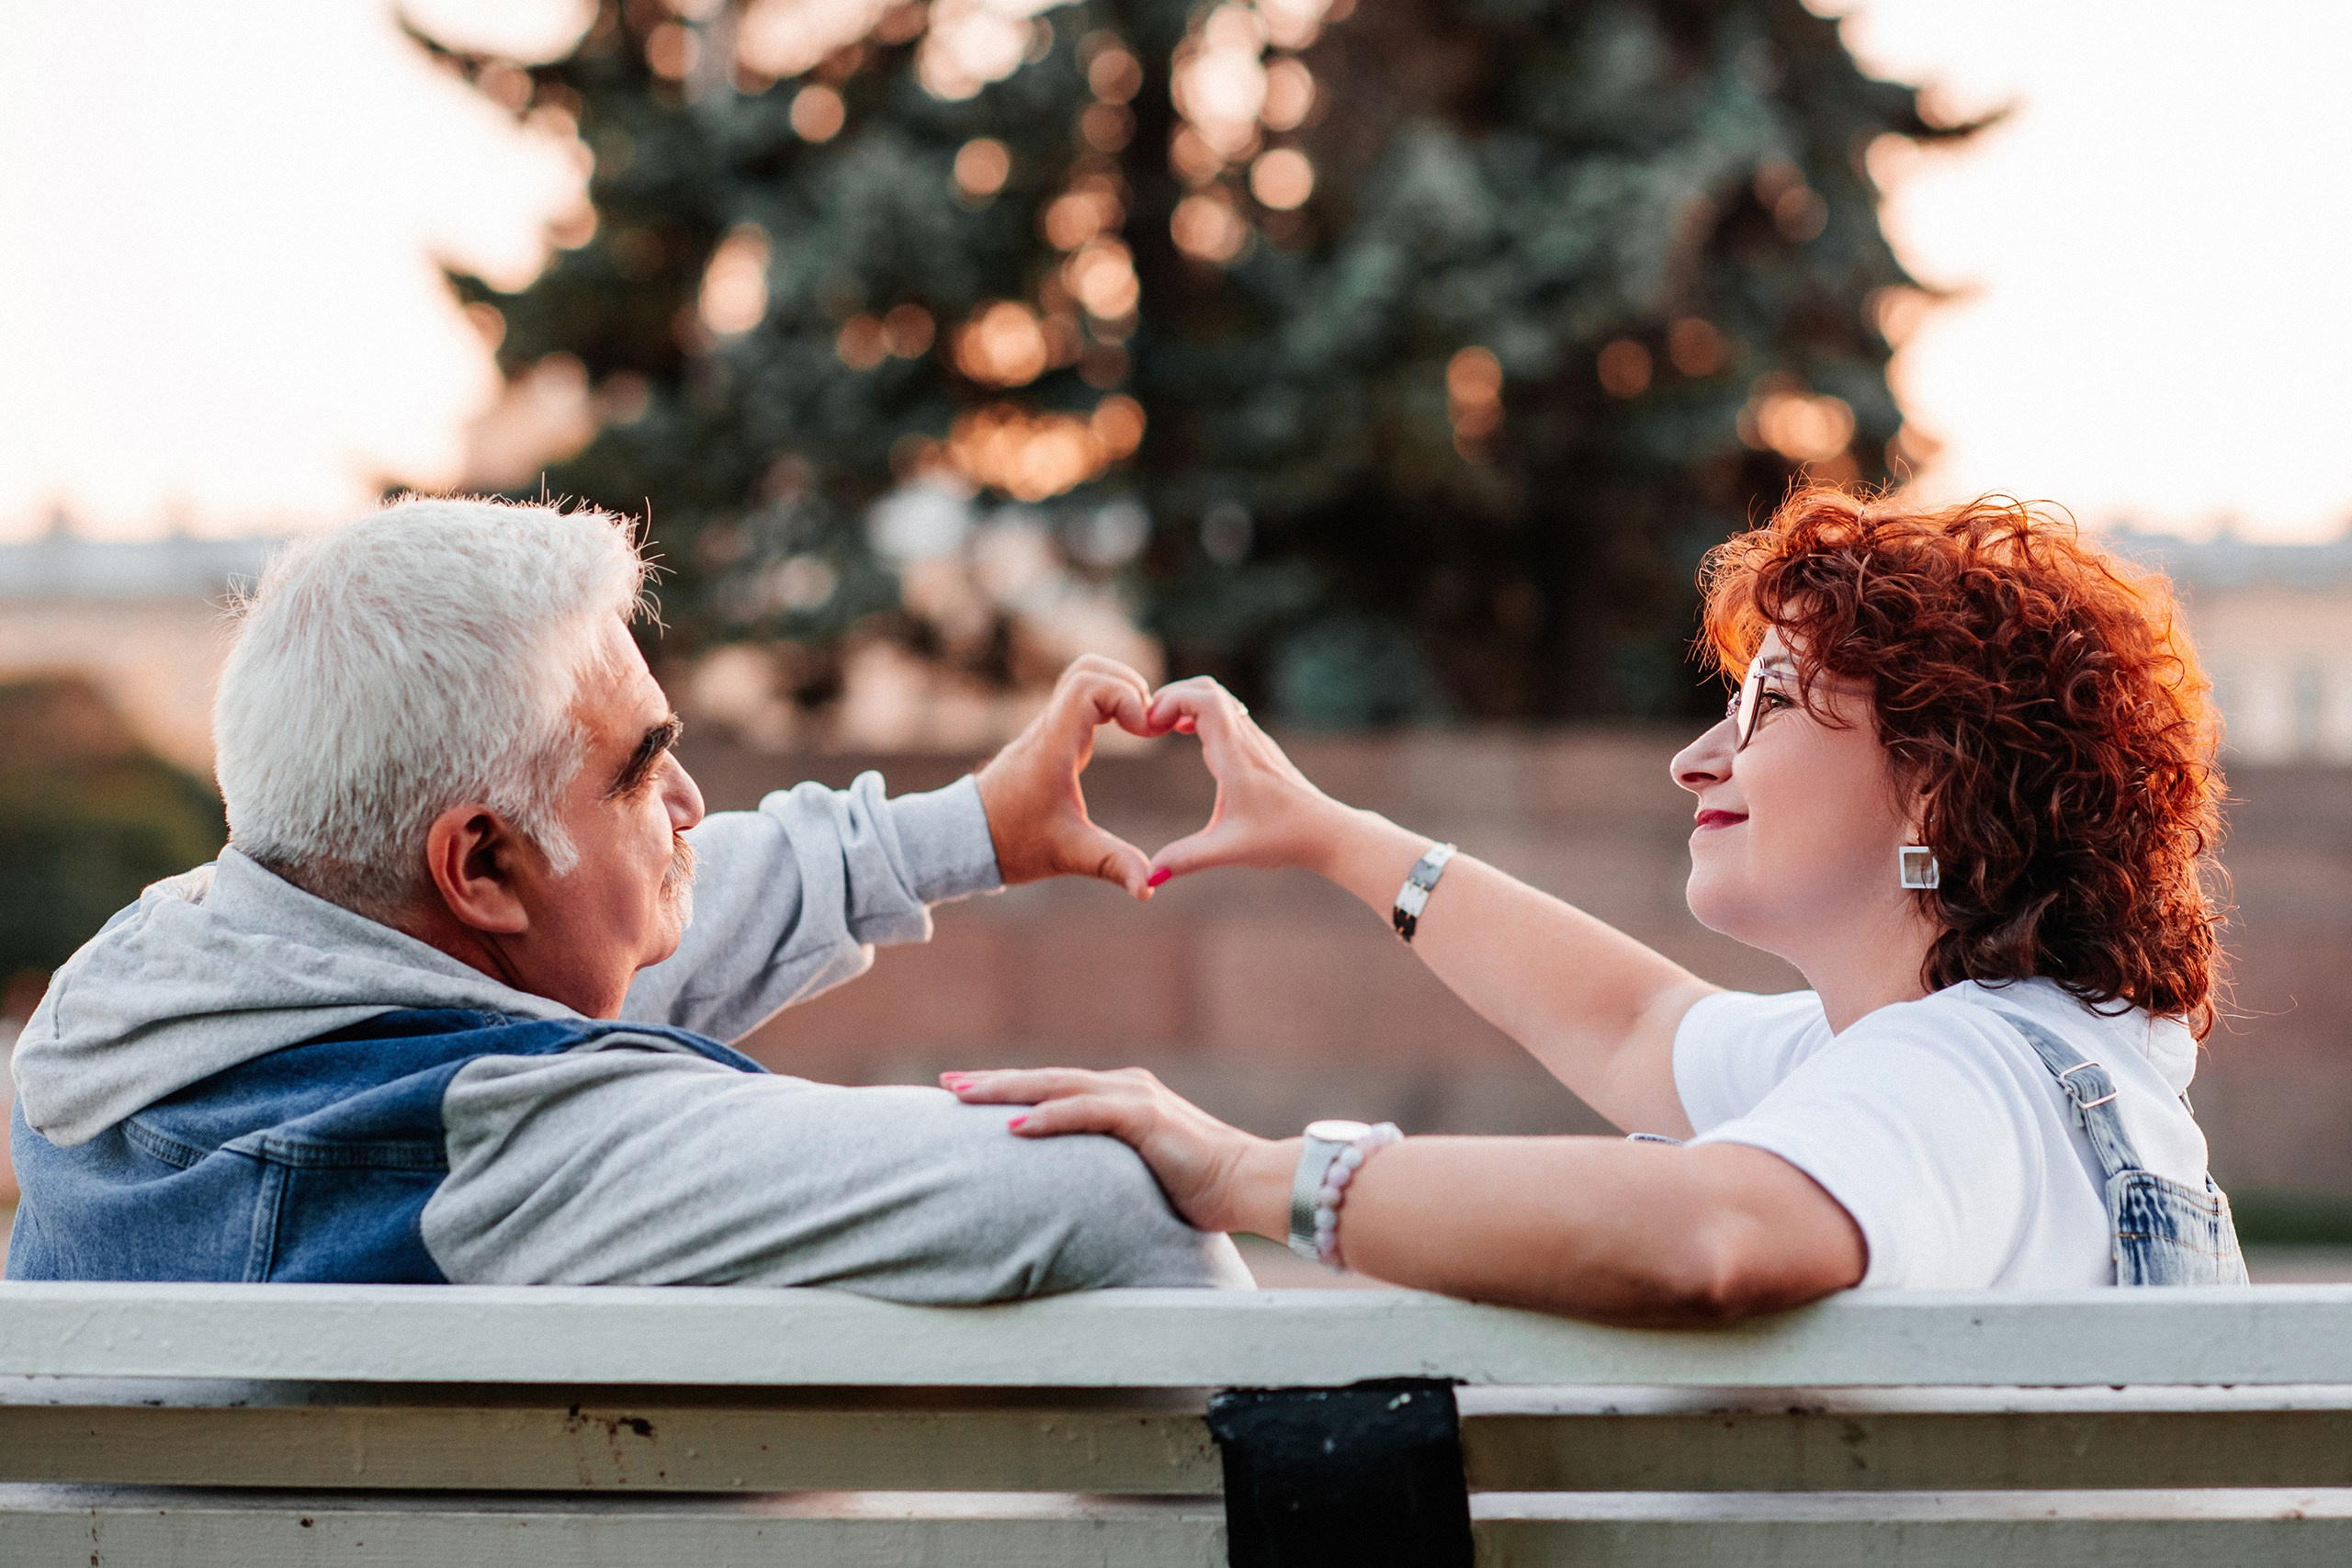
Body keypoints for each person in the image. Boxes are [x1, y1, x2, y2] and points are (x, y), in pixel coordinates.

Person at [947, 490, 2246, 1322]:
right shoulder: (2025, 1052)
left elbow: (1720, 1234)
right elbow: (1635, 1027)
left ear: (1940, 788)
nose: (1698, 759)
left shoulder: (1956, 1074)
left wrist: (1247, 1174)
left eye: (1772, 705)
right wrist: (1338, 837)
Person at [6, 497, 1246, 1296]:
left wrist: (962, 831)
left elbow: (593, 943)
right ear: (482, 865)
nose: (693, 804)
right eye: (643, 771)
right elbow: (1111, 1202)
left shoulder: (128, 1007)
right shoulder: (500, 1157)